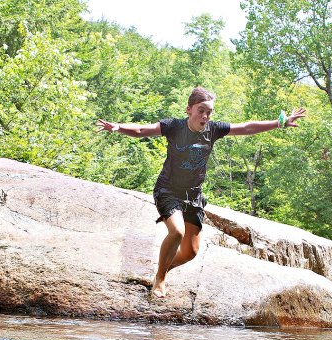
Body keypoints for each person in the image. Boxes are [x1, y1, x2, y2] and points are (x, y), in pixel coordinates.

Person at [96, 87, 306, 297]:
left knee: (191, 252)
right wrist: (117, 127)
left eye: (209, 112)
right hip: (168, 190)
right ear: (189, 109)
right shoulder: (174, 126)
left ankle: (162, 268)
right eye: (200, 110)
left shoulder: (213, 130)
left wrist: (279, 123)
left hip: (193, 195)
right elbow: (143, 131)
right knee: (176, 231)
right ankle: (160, 279)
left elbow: (247, 127)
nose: (205, 116)